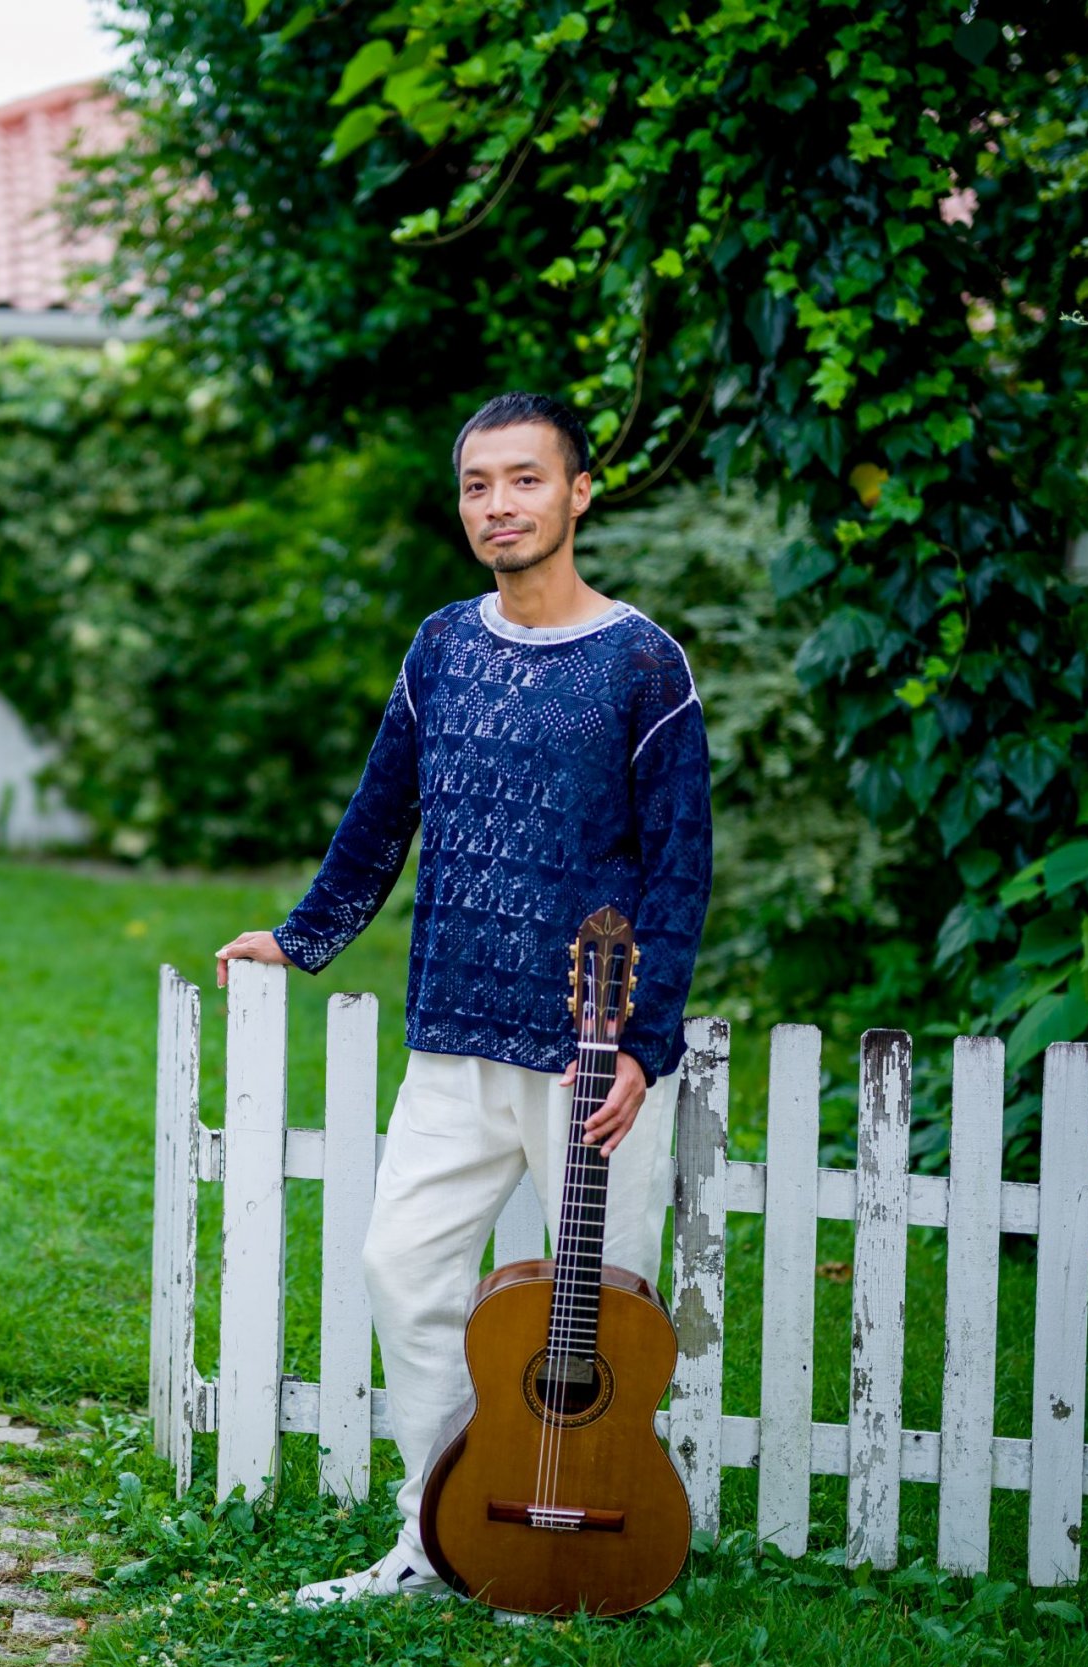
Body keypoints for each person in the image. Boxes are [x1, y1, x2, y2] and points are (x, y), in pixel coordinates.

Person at [215, 391, 712, 1604]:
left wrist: (645, 1044)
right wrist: (304, 934)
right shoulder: (442, 644)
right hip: (451, 1032)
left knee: (601, 1320)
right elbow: (384, 811)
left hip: (589, 1062)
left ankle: (587, 1542)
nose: (499, 504)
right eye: (478, 484)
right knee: (403, 1270)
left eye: (524, 479)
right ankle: (438, 1538)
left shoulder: (643, 661)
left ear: (579, 491)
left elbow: (681, 863)